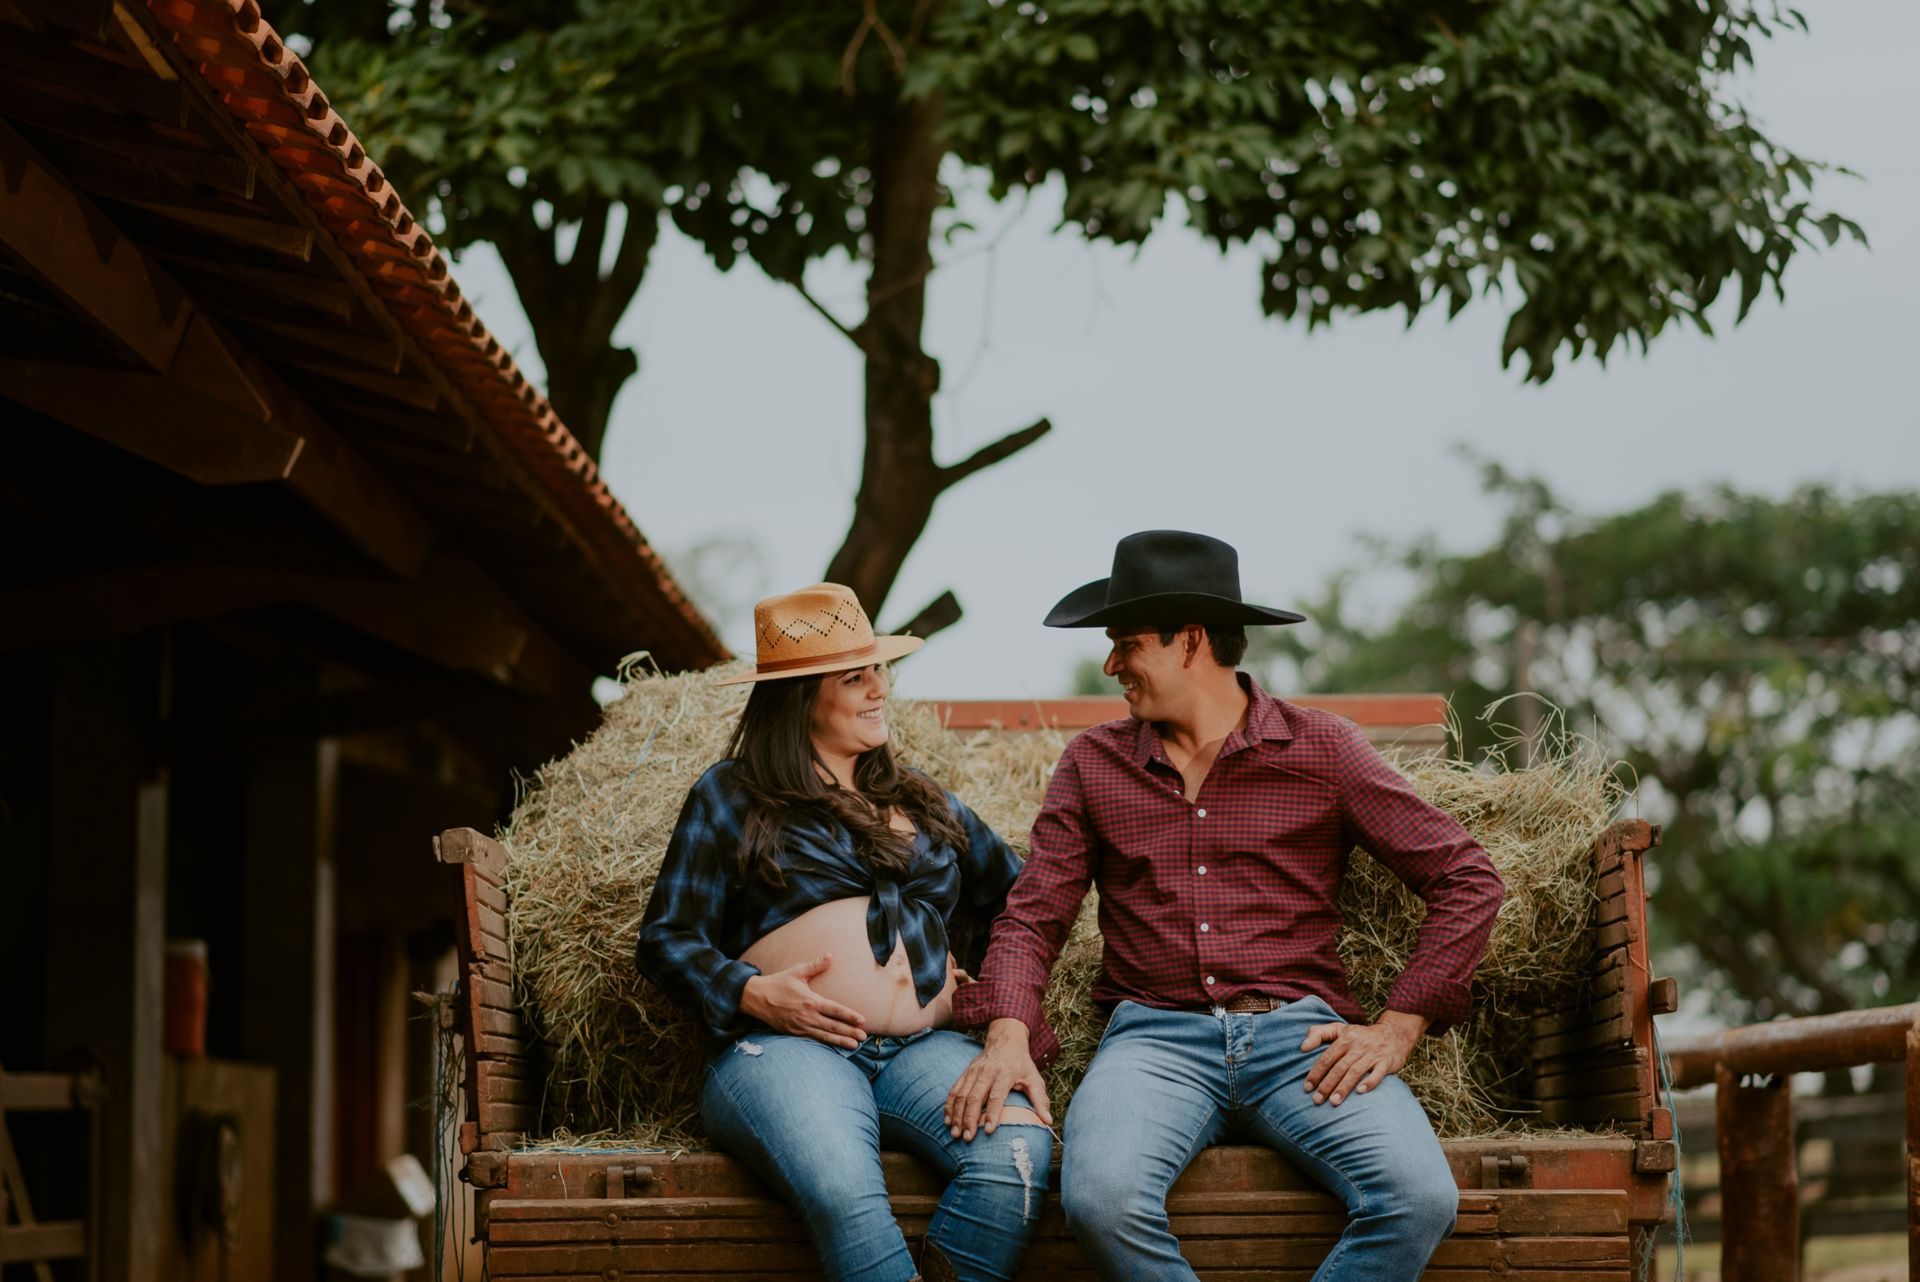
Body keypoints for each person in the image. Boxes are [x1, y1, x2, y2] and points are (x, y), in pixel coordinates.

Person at [946, 530, 1506, 1282]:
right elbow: (1033, 914)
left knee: (1418, 1195)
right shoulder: (1093, 764)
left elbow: (1468, 878)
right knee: (1101, 1200)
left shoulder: (1323, 749)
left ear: (1192, 643)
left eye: (1127, 643)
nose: (1112, 665)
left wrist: (1398, 1027)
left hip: (1299, 1041)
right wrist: (1008, 1033)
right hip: (1153, 1042)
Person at [637, 583, 1052, 1282]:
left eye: (880, 670)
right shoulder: (732, 796)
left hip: (925, 1050)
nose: (879, 688)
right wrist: (753, 993)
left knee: (1017, 1160)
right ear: (801, 696)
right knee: (843, 1187)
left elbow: (1027, 900)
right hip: (785, 1050)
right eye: (854, 677)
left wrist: (989, 984)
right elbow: (666, 938)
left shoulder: (924, 800)